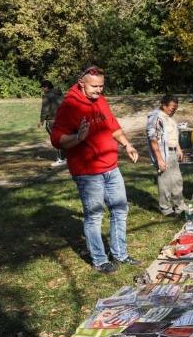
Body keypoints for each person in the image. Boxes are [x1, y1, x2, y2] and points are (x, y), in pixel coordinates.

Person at [50, 66, 141, 273]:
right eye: (94, 86)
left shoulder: (100, 100)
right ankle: (100, 261)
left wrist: (127, 145)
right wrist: (78, 137)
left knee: (120, 210)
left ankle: (120, 254)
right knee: (94, 216)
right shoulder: (69, 106)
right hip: (88, 172)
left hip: (111, 167)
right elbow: (57, 139)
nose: (99, 90)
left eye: (101, 86)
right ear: (81, 83)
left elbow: (113, 126)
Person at [147, 94, 188, 215]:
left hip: (173, 152)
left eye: (176, 108)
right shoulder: (156, 118)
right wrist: (159, 159)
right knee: (165, 182)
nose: (174, 110)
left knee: (177, 180)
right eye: (172, 108)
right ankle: (165, 208)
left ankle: (180, 206)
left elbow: (173, 135)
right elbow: (153, 139)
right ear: (163, 105)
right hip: (163, 154)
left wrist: (178, 149)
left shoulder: (170, 118)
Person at [39, 80, 66, 166]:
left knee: (56, 139)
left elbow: (45, 110)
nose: (42, 89)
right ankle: (66, 157)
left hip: (52, 120)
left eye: (42, 88)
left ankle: (61, 159)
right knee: (63, 138)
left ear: (46, 87)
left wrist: (41, 121)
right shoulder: (60, 94)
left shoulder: (47, 96)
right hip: (63, 119)